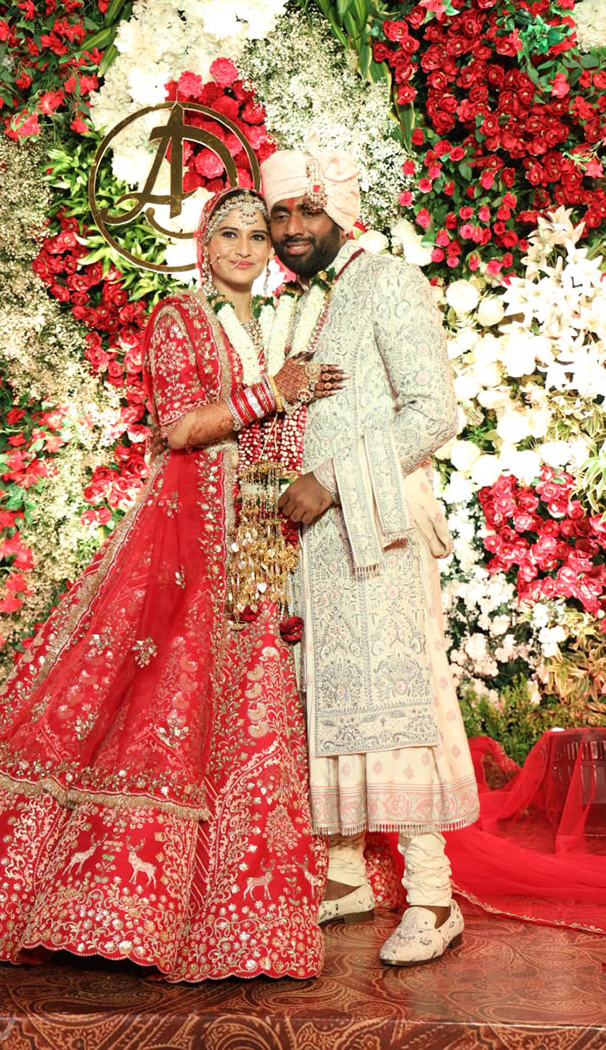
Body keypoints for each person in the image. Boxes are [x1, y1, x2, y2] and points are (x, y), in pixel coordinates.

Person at [0, 187, 346, 982]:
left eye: (257, 234)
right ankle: (85, 897)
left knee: (248, 711)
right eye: (229, 234)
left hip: (250, 539)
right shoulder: (181, 316)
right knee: (147, 703)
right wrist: (275, 391)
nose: (246, 247)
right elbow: (179, 426)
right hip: (182, 538)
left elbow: (274, 434)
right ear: (203, 246)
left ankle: (234, 919)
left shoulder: (270, 325)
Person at [260, 147, 480, 966]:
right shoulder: (306, 301)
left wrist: (330, 481)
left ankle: (432, 896)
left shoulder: (386, 279)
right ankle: (347, 877)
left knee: (398, 701)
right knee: (330, 698)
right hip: (313, 545)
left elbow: (433, 413)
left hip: (377, 530)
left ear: (341, 210)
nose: (290, 230)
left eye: (305, 212)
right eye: (279, 214)